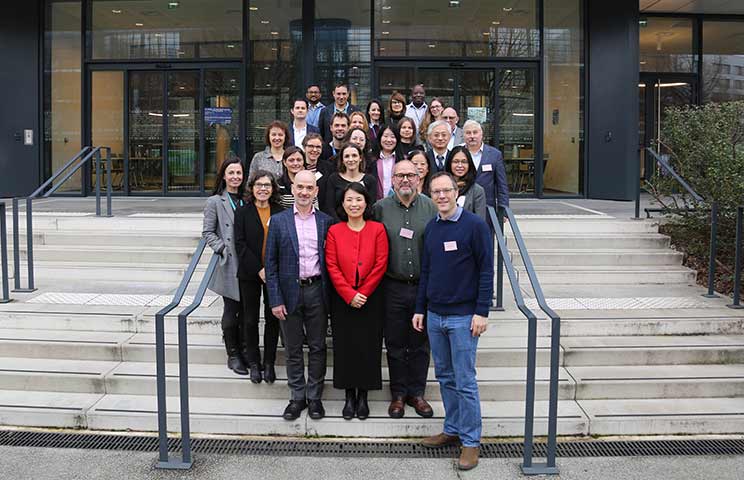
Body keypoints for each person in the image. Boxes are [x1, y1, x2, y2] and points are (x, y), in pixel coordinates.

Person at [413, 171, 494, 471]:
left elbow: (486, 270)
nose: (442, 196)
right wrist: (420, 309)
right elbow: (427, 272)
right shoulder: (431, 228)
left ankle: (471, 442)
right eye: (436, 192)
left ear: (456, 192)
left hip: (463, 318)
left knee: (465, 381)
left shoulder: (474, 225)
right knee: (445, 377)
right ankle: (453, 429)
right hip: (435, 316)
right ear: (430, 195)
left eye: (446, 190)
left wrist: (482, 311)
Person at [265, 170, 334, 421]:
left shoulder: (326, 222)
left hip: (317, 290)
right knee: (293, 348)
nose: (304, 192)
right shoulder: (278, 221)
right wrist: (275, 299)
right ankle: (297, 397)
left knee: (317, 346)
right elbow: (270, 264)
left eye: (309, 188)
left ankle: (314, 397)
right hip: (288, 292)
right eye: (300, 187)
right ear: (293, 189)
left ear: (316, 191)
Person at [373, 160, 438, 419]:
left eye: (410, 175)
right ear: (392, 180)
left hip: (423, 287)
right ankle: (398, 394)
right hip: (392, 287)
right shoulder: (380, 209)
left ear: (419, 178)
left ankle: (417, 393)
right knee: (395, 342)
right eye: (400, 175)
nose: (405, 180)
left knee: (420, 343)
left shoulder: (431, 207)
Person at [325, 182, 389, 420]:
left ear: (366, 202)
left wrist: (363, 292)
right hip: (343, 300)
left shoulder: (377, 229)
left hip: (371, 298)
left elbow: (381, 263)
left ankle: (363, 396)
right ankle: (349, 395)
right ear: (342, 204)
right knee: (345, 348)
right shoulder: (334, 231)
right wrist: (349, 294)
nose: (354, 204)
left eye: (358, 199)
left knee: (368, 347)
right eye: (349, 200)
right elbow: (331, 265)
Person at [234, 171, 284, 384]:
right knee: (250, 319)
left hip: (275, 273)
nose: (263, 189)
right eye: (259, 185)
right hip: (250, 273)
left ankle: (269, 363)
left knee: (272, 318)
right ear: (252, 188)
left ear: (273, 189)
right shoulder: (242, 212)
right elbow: (240, 244)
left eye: (267, 185)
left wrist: (270, 269)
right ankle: (254, 362)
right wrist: (259, 269)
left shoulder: (281, 211)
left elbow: (284, 243)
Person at [202, 154, 248, 376]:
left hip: (249, 262)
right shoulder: (215, 201)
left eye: (239, 172)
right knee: (231, 310)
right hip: (230, 262)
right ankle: (233, 354)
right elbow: (208, 232)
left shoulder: (248, 198)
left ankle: (246, 349)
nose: (235, 176)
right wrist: (222, 248)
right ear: (224, 176)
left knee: (247, 311)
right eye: (231, 173)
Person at [463, 120, 510, 220]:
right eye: (468, 133)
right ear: (463, 135)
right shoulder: (458, 153)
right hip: (463, 208)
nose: (472, 136)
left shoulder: (495, 155)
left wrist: (504, 210)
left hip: (487, 209)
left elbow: (502, 185)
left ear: (481, 134)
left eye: (475, 132)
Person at [322, 143, 377, 220]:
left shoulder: (370, 180)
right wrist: (340, 225)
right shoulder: (333, 179)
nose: (350, 159)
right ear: (342, 160)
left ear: (360, 158)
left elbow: (370, 207)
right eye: (347, 156)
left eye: (354, 155)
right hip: (338, 224)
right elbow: (330, 207)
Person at [445, 146, 487, 222]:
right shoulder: (442, 187)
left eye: (464, 162)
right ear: (449, 164)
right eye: (456, 161)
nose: (460, 165)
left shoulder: (477, 191)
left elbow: (480, 221)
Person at [369, 124, 402, 200]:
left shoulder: (402, 160)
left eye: (392, 137)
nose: (389, 140)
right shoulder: (371, 159)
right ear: (380, 138)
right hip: (376, 202)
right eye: (385, 136)